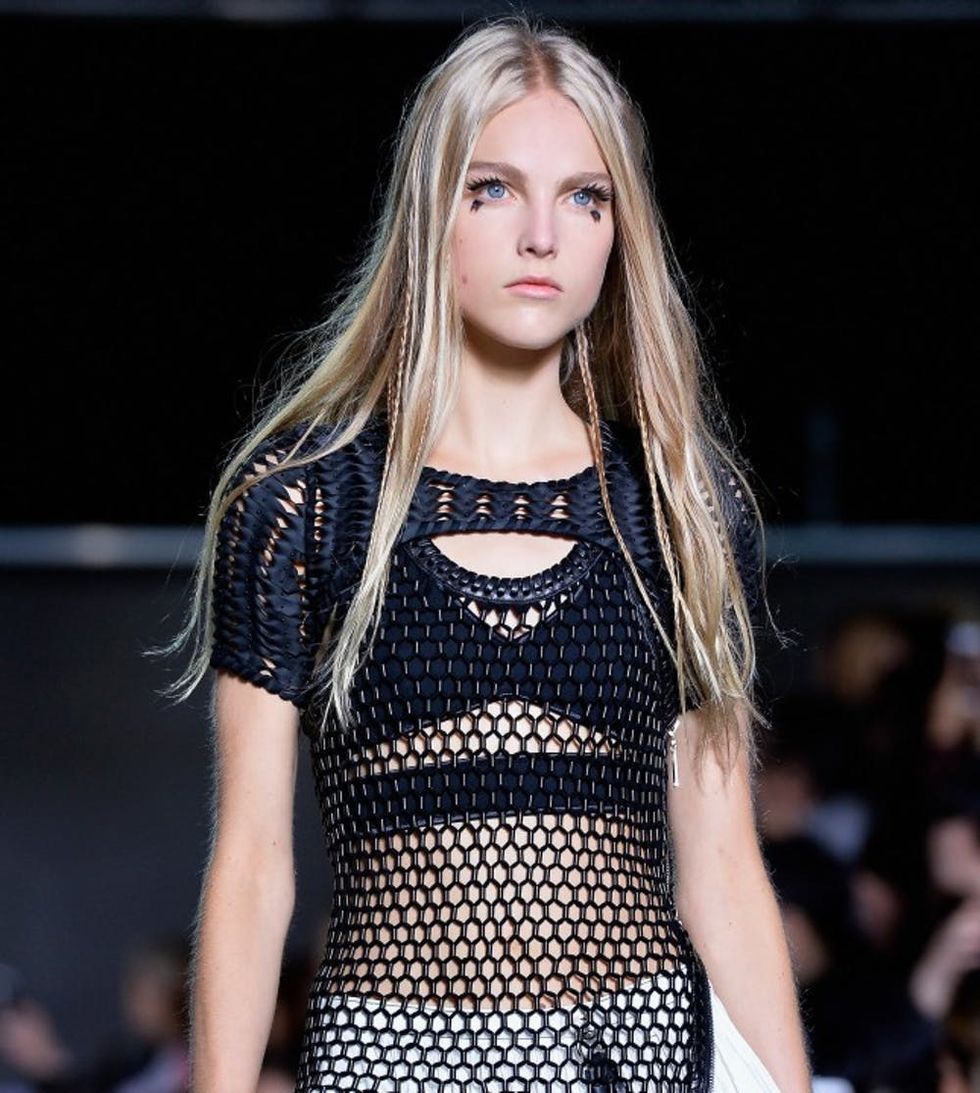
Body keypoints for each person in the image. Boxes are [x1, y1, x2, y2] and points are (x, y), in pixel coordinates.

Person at [154, 12, 811, 1091]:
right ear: (430, 214)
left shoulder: (681, 509)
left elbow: (723, 864)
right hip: (390, 1057)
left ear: (618, 231)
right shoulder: (304, 504)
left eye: (584, 197)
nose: (542, 236)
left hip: (635, 1051)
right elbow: (253, 864)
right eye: (492, 188)